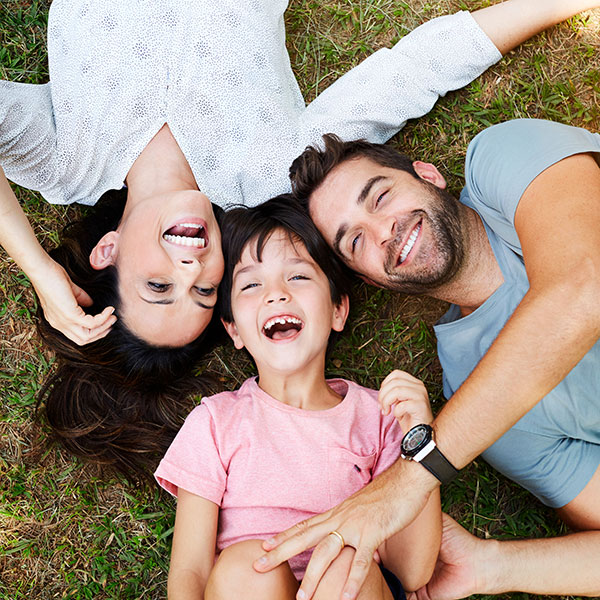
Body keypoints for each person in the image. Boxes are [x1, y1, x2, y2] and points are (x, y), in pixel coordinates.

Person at [1, 1, 592, 474]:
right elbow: (407, 75)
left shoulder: (64, 161)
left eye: (159, 285)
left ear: (108, 251)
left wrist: (33, 264)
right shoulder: (269, 173)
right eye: (206, 293)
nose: (193, 268)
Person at [253, 117, 600, 599]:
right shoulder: (477, 407)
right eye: (354, 242)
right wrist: (490, 566)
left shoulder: (505, 159)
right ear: (372, 280)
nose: (383, 231)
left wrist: (411, 478)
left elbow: (585, 286)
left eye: (380, 196)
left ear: (429, 175)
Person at [153, 196, 441, 599]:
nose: (276, 294)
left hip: (350, 589)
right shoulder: (215, 422)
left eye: (298, 277)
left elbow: (411, 570)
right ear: (234, 329)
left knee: (341, 565)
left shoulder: (382, 417)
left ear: (338, 309)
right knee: (246, 566)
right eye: (252, 284)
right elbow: (191, 571)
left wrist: (421, 441)